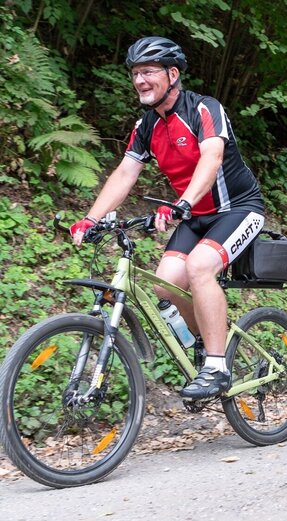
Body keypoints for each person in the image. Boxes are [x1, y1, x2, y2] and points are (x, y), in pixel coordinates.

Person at [70, 36, 265, 399]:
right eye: (135, 74)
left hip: (238, 208)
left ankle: (217, 367)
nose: (140, 80)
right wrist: (91, 219)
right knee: (164, 285)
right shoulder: (147, 126)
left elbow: (212, 158)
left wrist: (183, 202)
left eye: (148, 72)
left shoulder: (203, 109)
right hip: (195, 215)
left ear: (172, 74)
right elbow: (126, 172)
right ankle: (208, 347)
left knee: (200, 267)